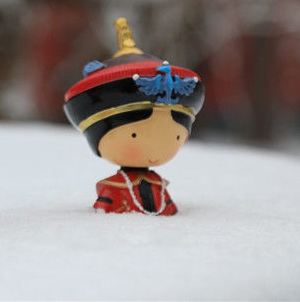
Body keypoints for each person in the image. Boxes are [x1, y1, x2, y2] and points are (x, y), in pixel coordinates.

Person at [63, 18, 205, 215]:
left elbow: (168, 207)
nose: (157, 146)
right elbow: (105, 206)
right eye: (134, 135)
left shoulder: (159, 185)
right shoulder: (114, 186)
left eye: (176, 137)